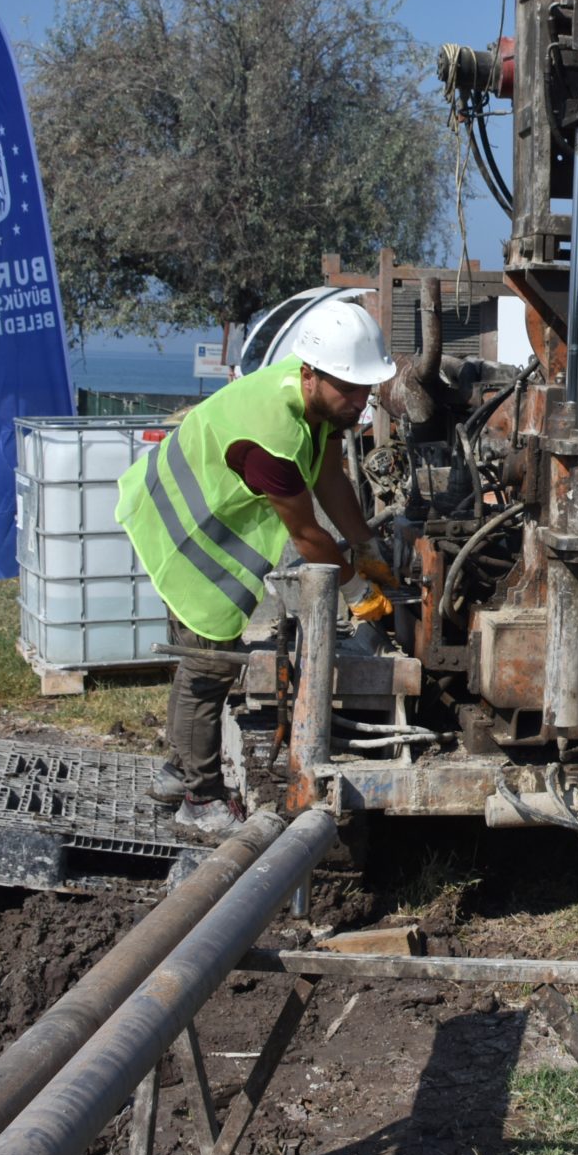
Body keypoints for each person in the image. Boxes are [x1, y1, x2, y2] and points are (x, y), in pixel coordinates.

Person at [115, 289, 401, 842]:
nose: (358, 401)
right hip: (185, 533)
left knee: (202, 661)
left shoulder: (308, 400)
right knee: (208, 665)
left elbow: (329, 478)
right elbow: (305, 532)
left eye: (366, 388)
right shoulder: (272, 433)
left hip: (195, 520)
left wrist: (364, 543)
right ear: (313, 373)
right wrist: (357, 590)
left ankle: (178, 771)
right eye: (349, 387)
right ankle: (201, 799)